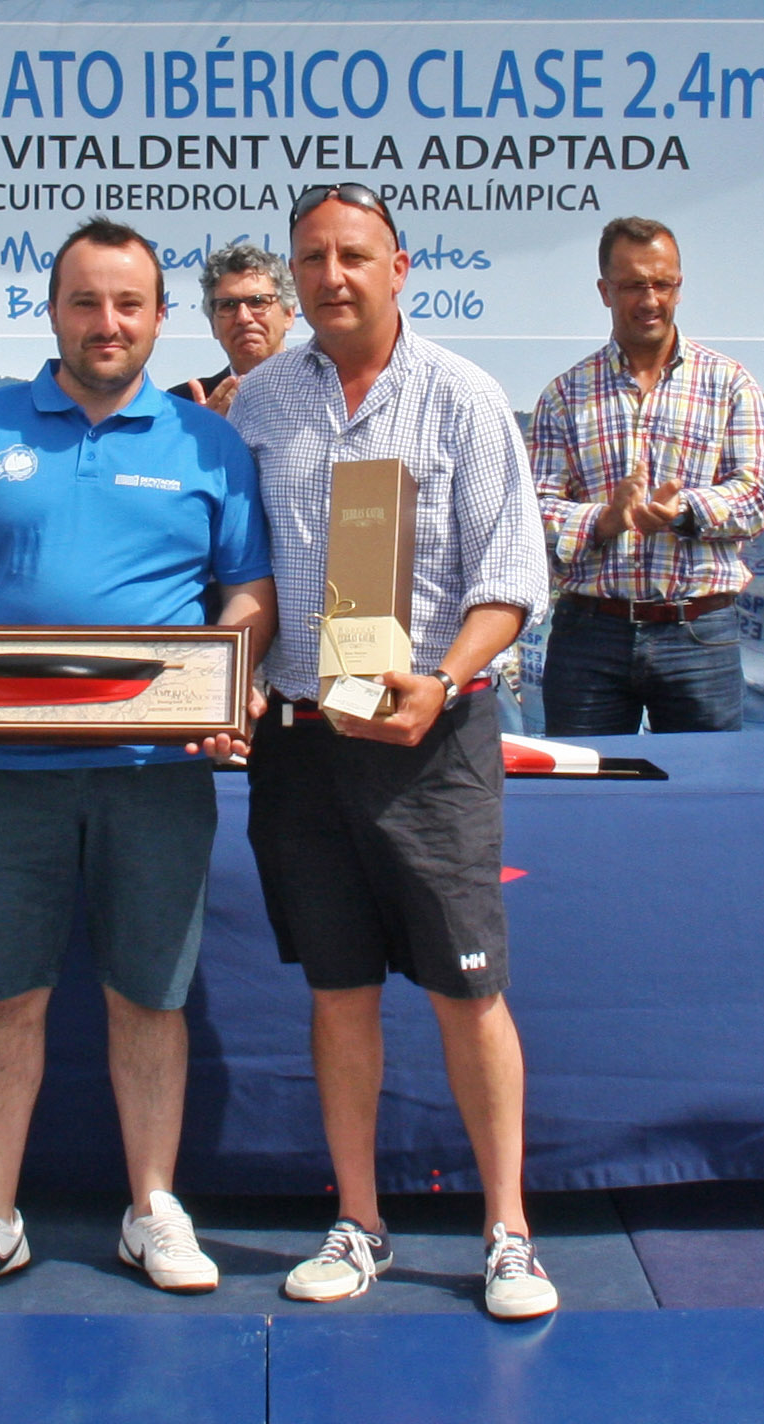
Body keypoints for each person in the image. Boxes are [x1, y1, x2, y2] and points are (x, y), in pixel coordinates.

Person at [0, 219, 277, 1297]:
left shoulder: (207, 442)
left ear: (157, 317)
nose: (108, 324)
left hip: (157, 768)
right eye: (87, 303)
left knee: (150, 997)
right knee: (7, 998)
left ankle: (153, 1210)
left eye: (128, 305)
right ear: (51, 311)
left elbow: (250, 593)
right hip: (4, 773)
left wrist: (225, 682)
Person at [228, 183, 558, 1320]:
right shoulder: (258, 404)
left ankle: (507, 1231)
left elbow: (511, 581)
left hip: (432, 736)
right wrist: (223, 674)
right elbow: (248, 578)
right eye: (311, 257)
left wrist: (446, 681)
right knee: (340, 991)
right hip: (303, 742)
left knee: (469, 993)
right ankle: (359, 1220)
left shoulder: (464, 398)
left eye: (353, 255)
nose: (332, 276)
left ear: (400, 265)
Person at [529, 218, 764, 735]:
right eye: (634, 285)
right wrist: (605, 520)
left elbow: (754, 498)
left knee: (706, 802)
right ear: (605, 291)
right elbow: (536, 512)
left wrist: (684, 511)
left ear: (679, 288)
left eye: (663, 284)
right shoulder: (564, 396)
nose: (650, 300)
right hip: (590, 636)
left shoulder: (730, 384)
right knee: (583, 801)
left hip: (700, 634)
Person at [185, 242, 299, 415]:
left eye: (258, 302)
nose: (243, 318)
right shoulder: (184, 406)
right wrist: (203, 435)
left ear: (288, 315)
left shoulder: (326, 393)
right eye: (228, 305)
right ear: (213, 325)